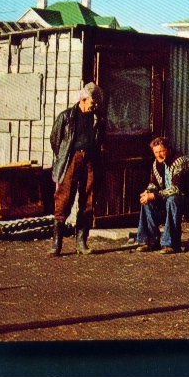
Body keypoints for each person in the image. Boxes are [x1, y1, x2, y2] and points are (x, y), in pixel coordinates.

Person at [49, 82, 105, 257]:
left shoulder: (98, 118)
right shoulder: (66, 117)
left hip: (91, 160)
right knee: (64, 199)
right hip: (71, 159)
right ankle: (56, 244)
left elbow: (100, 140)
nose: (94, 107)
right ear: (83, 99)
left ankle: (81, 242)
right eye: (92, 103)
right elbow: (55, 141)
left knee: (88, 200)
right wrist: (66, 157)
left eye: (96, 104)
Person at [136, 137, 189, 254]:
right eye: (156, 152)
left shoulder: (180, 161)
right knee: (146, 201)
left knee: (172, 200)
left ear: (168, 149)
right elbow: (154, 183)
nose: (159, 155)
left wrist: (154, 195)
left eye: (161, 151)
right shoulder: (157, 163)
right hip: (171, 196)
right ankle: (150, 241)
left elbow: (176, 189)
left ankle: (171, 244)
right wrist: (148, 192)